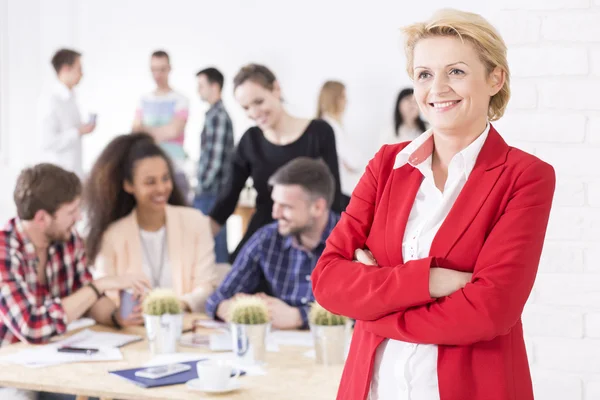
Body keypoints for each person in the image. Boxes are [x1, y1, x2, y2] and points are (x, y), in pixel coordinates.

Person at [312, 9, 556, 400]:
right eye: (424, 74)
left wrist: (373, 308)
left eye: (456, 71)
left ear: (495, 78)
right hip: (373, 389)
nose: (437, 88)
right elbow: (327, 281)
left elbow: (490, 311)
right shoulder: (385, 166)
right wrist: (429, 281)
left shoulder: (524, 176)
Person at [0, 164, 149, 400]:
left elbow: (86, 298)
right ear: (42, 218)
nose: (79, 218)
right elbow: (32, 326)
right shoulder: (4, 251)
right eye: (72, 212)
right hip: (10, 372)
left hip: (56, 361)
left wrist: (116, 316)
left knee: (119, 386)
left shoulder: (67, 239)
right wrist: (100, 285)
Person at [208, 63, 343, 263]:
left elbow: (333, 197)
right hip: (264, 232)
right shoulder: (250, 140)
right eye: (246, 107)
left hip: (308, 235)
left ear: (276, 89)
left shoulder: (319, 133)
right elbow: (227, 198)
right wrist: (197, 239)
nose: (253, 113)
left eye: (259, 101)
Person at [86, 133, 217, 313]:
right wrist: (123, 314)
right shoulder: (112, 236)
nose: (162, 188)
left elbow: (206, 287)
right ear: (129, 185)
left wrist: (176, 306)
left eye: (165, 178)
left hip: (184, 327)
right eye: (150, 182)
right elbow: (105, 294)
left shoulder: (196, 223)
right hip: (132, 333)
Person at [206, 158, 339, 330]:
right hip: (281, 349)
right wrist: (232, 308)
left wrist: (299, 316)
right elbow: (217, 299)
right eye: (275, 203)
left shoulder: (356, 243)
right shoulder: (267, 239)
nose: (275, 213)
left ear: (318, 207)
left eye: (286, 206)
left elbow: (368, 309)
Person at [132, 50, 191, 200]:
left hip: (175, 166)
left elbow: (174, 131)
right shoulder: (143, 100)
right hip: (148, 168)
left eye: (162, 69)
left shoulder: (180, 99)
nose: (158, 74)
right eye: (154, 70)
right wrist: (161, 131)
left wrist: (146, 130)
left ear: (169, 69)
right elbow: (135, 132)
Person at [193, 67, 234, 263]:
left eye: (201, 85)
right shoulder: (213, 115)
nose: (198, 90)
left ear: (214, 86)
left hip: (211, 193)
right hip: (211, 192)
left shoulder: (218, 117)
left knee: (213, 247)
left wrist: (201, 184)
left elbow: (215, 160)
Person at [37, 48, 96, 178]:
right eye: (79, 69)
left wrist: (82, 129)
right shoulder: (51, 101)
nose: (82, 74)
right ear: (65, 69)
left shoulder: (71, 99)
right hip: (58, 173)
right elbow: (48, 142)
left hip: (73, 171)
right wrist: (78, 132)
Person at [317, 80, 362, 209]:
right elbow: (355, 161)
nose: (346, 102)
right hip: (342, 193)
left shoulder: (327, 125)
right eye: (343, 97)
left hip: (338, 192)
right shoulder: (331, 127)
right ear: (333, 99)